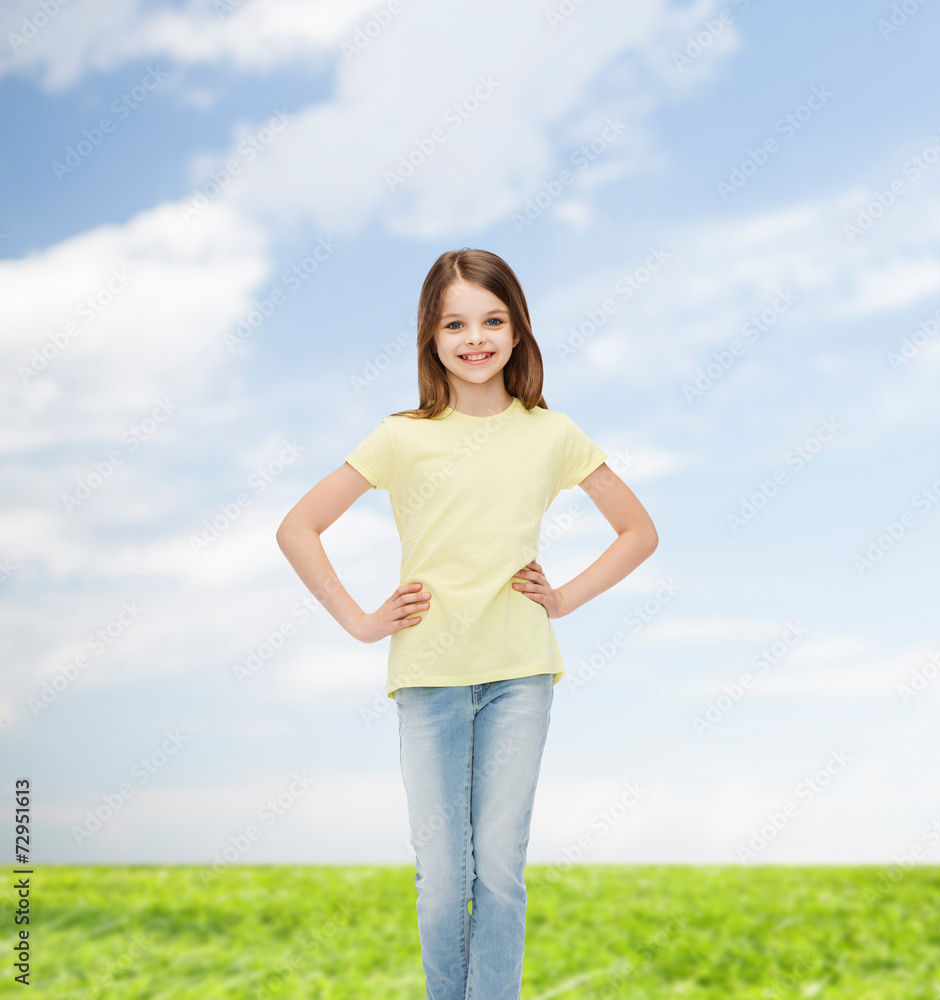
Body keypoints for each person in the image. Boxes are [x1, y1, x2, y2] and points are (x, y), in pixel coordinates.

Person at [276, 247, 659, 999]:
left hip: (519, 673)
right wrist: (359, 620)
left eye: (492, 320)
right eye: (455, 323)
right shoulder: (399, 435)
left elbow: (638, 532)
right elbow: (297, 527)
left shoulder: (552, 434)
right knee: (444, 877)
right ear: (430, 335)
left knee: (499, 871)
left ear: (517, 332)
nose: (474, 338)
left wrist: (565, 599)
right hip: (427, 677)